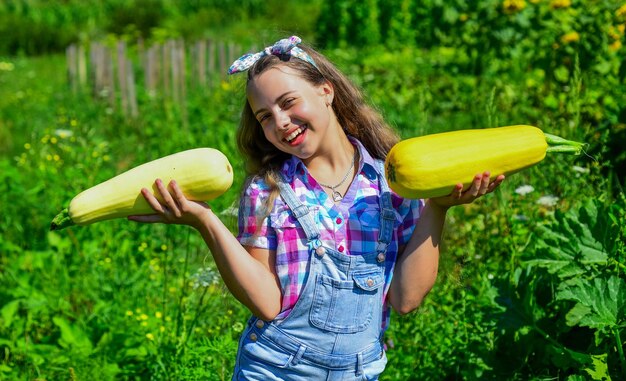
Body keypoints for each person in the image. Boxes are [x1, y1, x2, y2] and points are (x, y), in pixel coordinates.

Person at [129, 36, 504, 380]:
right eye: (264, 116)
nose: (280, 122)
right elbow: (267, 303)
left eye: (288, 102)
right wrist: (205, 221)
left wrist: (438, 208)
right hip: (274, 371)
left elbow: (406, 299)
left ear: (326, 91)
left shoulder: (393, 184)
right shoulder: (269, 191)